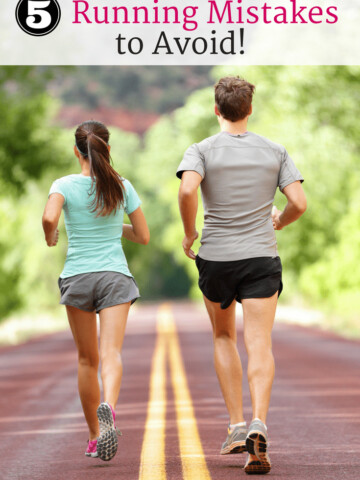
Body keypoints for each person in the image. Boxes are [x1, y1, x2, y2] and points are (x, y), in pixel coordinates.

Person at [177, 76, 306, 474]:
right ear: (250, 110)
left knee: (223, 335)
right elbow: (299, 203)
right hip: (261, 258)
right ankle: (258, 423)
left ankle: (235, 425)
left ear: (216, 110)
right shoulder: (275, 150)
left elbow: (186, 192)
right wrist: (280, 222)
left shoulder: (200, 150)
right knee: (259, 343)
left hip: (216, 259)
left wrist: (189, 231)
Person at [42, 120, 149, 462]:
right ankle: (110, 407)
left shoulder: (63, 184)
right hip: (114, 276)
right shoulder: (121, 186)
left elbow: (48, 218)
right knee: (111, 353)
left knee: (87, 360)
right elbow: (143, 236)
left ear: (77, 151)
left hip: (78, 277)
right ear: (108, 149)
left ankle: (93, 436)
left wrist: (50, 234)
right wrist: (115, 227)